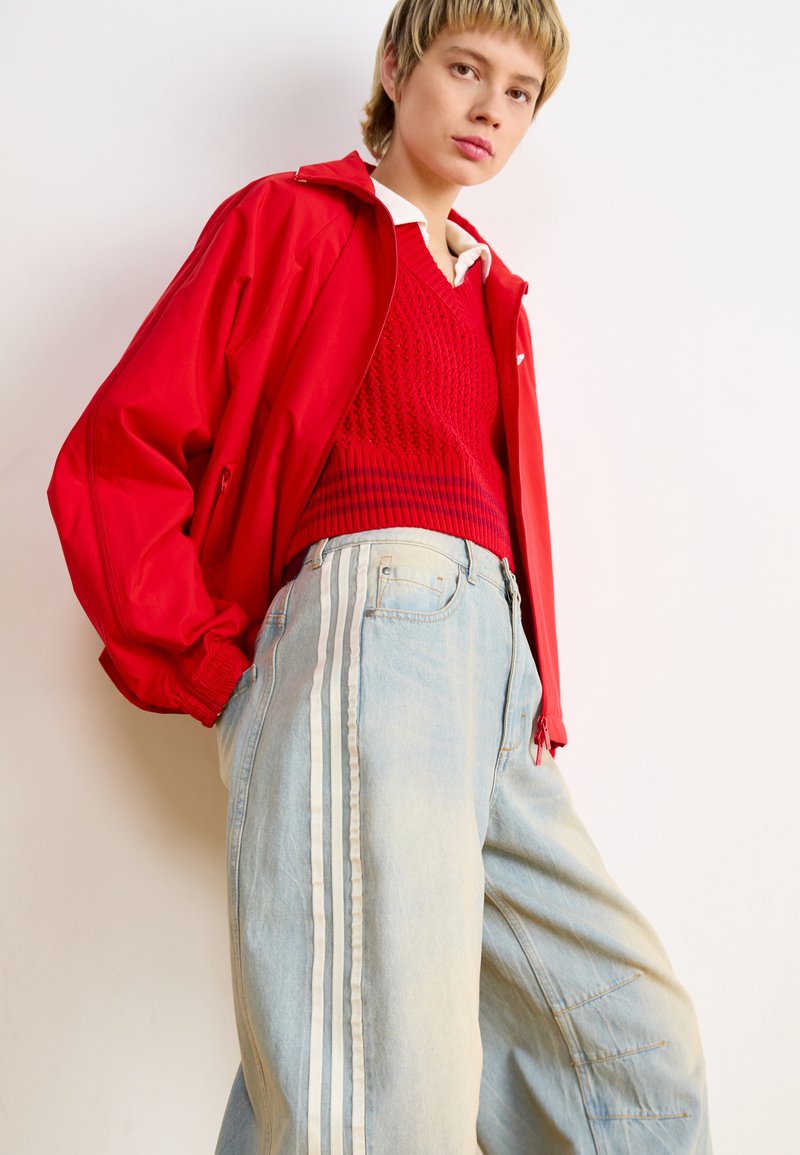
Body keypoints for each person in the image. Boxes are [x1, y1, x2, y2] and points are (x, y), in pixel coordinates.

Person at [48, 1, 713, 1151]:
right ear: (397, 70)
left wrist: (523, 684)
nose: (488, 109)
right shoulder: (289, 221)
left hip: (496, 684)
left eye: (518, 93)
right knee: (386, 1091)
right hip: (370, 633)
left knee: (631, 1059)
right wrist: (217, 668)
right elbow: (121, 453)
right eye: (464, 68)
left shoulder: (493, 292)